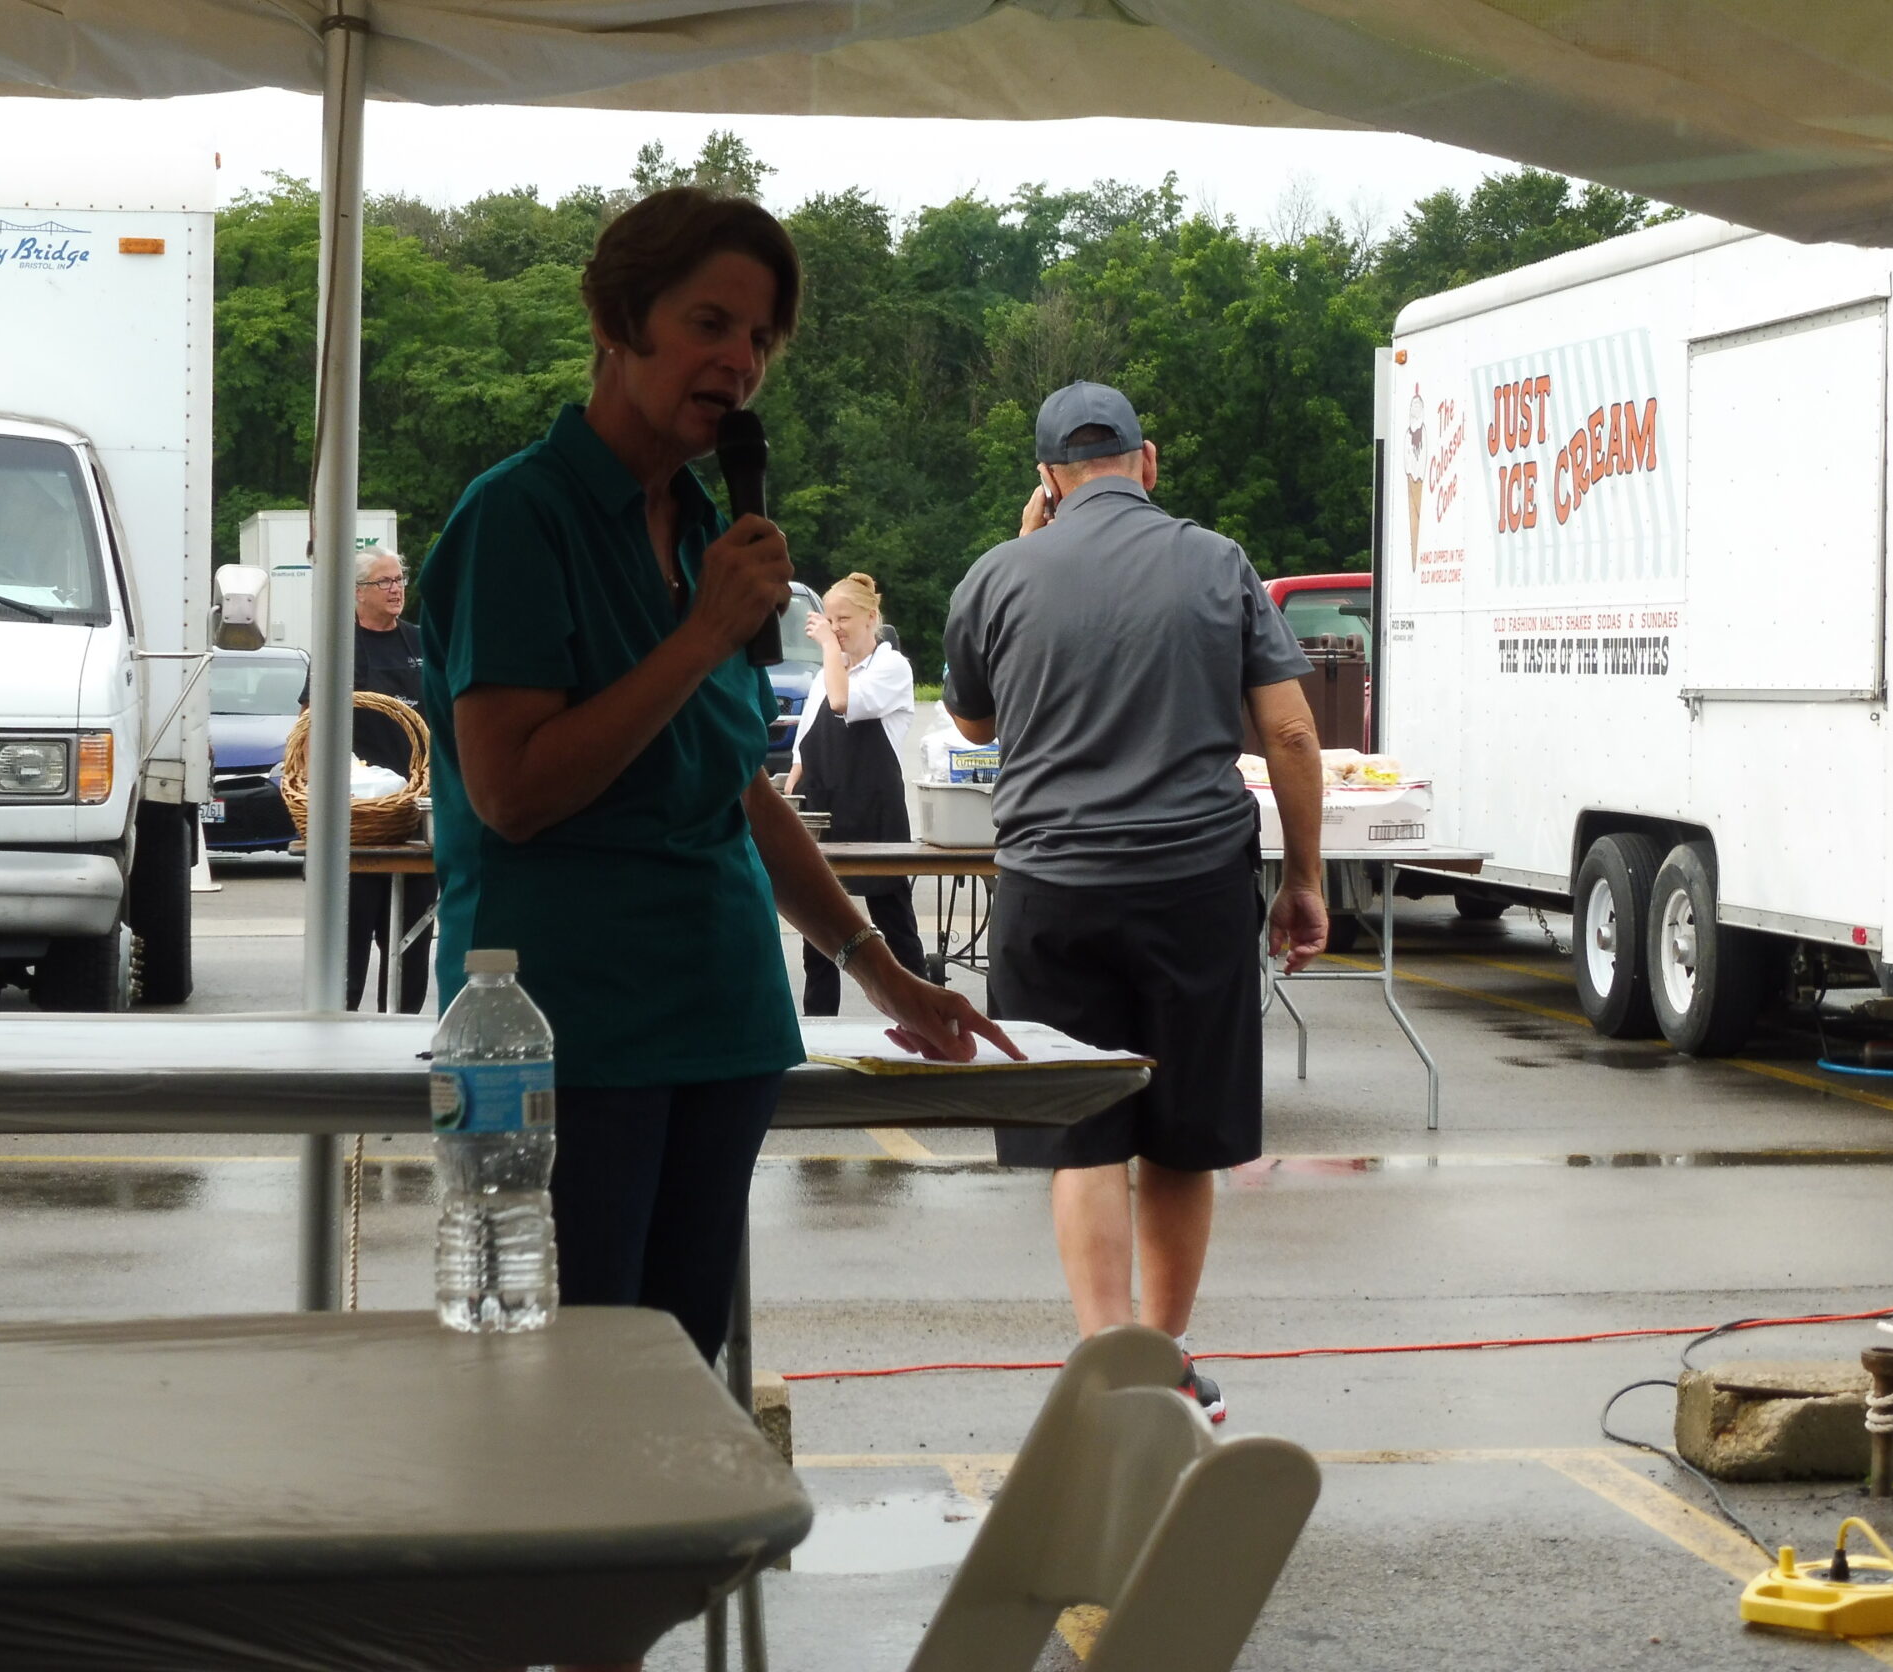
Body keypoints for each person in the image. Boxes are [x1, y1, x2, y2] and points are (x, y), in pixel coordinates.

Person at [419, 185, 1021, 1378]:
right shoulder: (518, 519)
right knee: (560, 1386)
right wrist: (699, 635)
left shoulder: (707, 530)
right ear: (616, 321)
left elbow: (738, 788)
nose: (740, 363)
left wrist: (880, 969)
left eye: (759, 339)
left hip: (722, 1018)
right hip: (568, 1032)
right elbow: (512, 792)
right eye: (709, 324)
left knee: (678, 1373)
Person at [940, 379, 1328, 1424]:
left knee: (1083, 1130)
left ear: (1046, 477)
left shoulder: (997, 573)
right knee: (1181, 1132)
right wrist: (1302, 879)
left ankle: (1104, 1357)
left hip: (1051, 887)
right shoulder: (1218, 562)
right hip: (1192, 885)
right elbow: (1292, 734)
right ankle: (1166, 1360)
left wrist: (1027, 548)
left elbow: (973, 725)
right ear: (1146, 461)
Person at [782, 573, 924, 1014]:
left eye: (843, 618)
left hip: (875, 808)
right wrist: (794, 777)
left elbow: (842, 703)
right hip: (825, 805)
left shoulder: (891, 667)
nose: (835, 627)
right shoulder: (829, 670)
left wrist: (828, 649)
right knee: (818, 929)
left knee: (894, 922)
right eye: (829, 619)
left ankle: (924, 1011)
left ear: (871, 617)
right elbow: (808, 735)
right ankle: (819, 1024)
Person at [321, 547, 433, 1013]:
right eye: (383, 582)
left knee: (412, 937)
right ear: (357, 592)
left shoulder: (422, 642)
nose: (395, 589)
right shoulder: (340, 646)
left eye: (399, 579)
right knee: (351, 935)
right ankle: (337, 1024)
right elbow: (313, 722)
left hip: (416, 809)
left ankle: (402, 1026)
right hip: (360, 814)